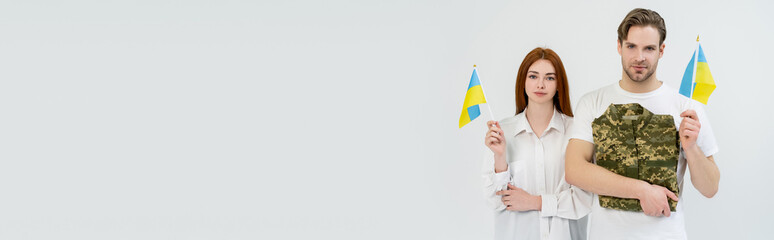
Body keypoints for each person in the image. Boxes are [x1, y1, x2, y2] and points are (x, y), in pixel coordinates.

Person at [564, 8, 720, 240]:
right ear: (619, 46)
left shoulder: (687, 109)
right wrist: (642, 190)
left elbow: (710, 188)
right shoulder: (593, 102)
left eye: (649, 48)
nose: (639, 57)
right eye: (631, 46)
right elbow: (574, 170)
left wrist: (692, 149)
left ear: (661, 50)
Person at [482, 47, 592, 240]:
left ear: (559, 84)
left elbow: (584, 199)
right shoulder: (502, 132)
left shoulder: (577, 131)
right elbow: (495, 202)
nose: (540, 84)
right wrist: (500, 157)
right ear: (523, 81)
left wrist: (535, 202)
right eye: (533, 76)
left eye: (549, 78)